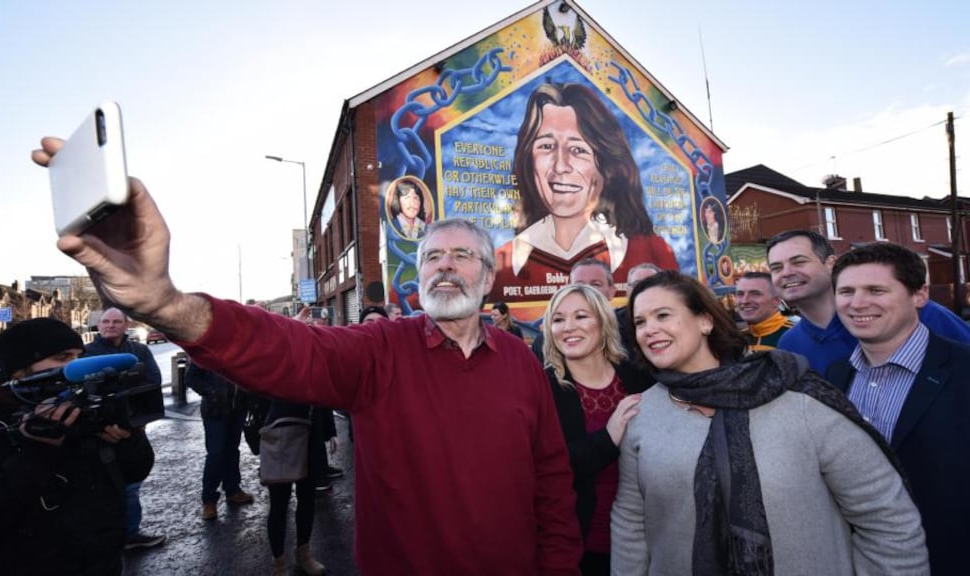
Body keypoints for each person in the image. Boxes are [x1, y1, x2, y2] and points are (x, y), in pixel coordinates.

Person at [34, 135, 581, 575]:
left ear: (487, 276)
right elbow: (286, 349)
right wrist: (167, 305)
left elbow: (552, 479)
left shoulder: (519, 361)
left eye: (462, 255)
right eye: (432, 256)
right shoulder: (380, 351)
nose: (444, 265)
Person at [611, 270, 928, 575]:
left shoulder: (797, 396)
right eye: (639, 322)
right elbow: (631, 523)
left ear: (705, 320)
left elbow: (887, 517)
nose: (648, 329)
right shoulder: (643, 412)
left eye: (663, 315)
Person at [0, 318, 155, 575]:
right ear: (19, 371)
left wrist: (129, 440)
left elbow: (135, 473)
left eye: (79, 357)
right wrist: (38, 453)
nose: (77, 368)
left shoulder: (87, 407)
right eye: (62, 358)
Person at [825, 243, 970, 576]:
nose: (857, 303)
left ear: (919, 295)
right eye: (846, 291)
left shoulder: (964, 368)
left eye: (876, 289)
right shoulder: (834, 375)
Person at [491, 82, 678, 304]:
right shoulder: (502, 265)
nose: (560, 166)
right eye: (546, 146)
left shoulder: (651, 251)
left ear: (605, 165)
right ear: (528, 160)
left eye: (578, 150)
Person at [542, 284, 650, 575]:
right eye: (558, 319)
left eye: (581, 316)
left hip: (648, 537)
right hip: (583, 545)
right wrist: (608, 437)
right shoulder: (543, 389)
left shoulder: (639, 375)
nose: (568, 327)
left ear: (603, 322)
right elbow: (545, 470)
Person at [766, 229, 970, 374]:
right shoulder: (790, 344)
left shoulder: (916, 314)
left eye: (798, 261)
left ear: (831, 264)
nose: (787, 273)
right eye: (776, 267)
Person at [84, 307, 166, 550]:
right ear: (99, 325)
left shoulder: (139, 351)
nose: (110, 325)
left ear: (125, 324)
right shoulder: (87, 353)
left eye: (115, 322)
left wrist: (140, 420)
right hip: (98, 431)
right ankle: (102, 537)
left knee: (131, 483)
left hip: (133, 428)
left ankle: (130, 534)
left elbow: (153, 383)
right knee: (99, 485)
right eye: (105, 321)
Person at [265, 398, 335, 576]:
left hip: (311, 432)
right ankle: (278, 565)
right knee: (279, 502)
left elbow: (322, 387)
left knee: (307, 498)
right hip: (280, 429)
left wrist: (330, 429)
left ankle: (304, 554)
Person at [184, 362, 255, 521]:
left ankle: (232, 489)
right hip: (215, 409)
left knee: (232, 449)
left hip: (238, 408)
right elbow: (190, 378)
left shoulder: (242, 347)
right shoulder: (208, 348)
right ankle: (209, 500)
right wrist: (212, 393)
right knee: (216, 454)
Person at [735, 271, 793, 351]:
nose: (745, 301)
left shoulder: (797, 334)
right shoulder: (737, 339)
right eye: (740, 294)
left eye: (755, 294)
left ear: (776, 301)